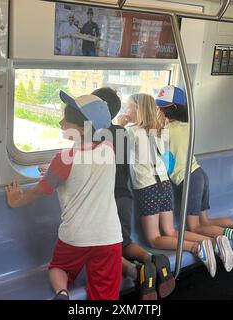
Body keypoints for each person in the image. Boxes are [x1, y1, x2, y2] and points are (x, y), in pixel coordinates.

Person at [6, 92, 123, 300]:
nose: (61, 123)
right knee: (105, 294)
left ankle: (62, 293)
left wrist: (16, 201)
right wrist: (53, 170)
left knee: (58, 268)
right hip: (109, 237)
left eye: (66, 120)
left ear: (81, 128)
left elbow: (39, 190)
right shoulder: (110, 148)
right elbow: (87, 165)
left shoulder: (64, 160)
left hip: (75, 237)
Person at [155, 85, 233, 264]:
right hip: (200, 175)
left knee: (195, 226)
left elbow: (151, 140)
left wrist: (156, 124)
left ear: (172, 109)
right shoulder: (187, 126)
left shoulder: (166, 131)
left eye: (161, 108)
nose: (158, 111)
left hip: (190, 180)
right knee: (205, 221)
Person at [123, 93, 233, 277]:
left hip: (147, 187)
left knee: (154, 239)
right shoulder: (160, 130)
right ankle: (211, 241)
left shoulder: (130, 132)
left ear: (138, 110)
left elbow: (118, 153)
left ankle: (195, 247)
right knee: (170, 230)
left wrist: (120, 124)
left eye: (128, 107)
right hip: (165, 185)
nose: (125, 111)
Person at [92, 87, 175, 300]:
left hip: (106, 199)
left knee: (104, 248)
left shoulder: (96, 135)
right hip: (125, 196)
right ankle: (152, 259)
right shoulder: (124, 133)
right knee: (124, 243)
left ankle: (136, 271)